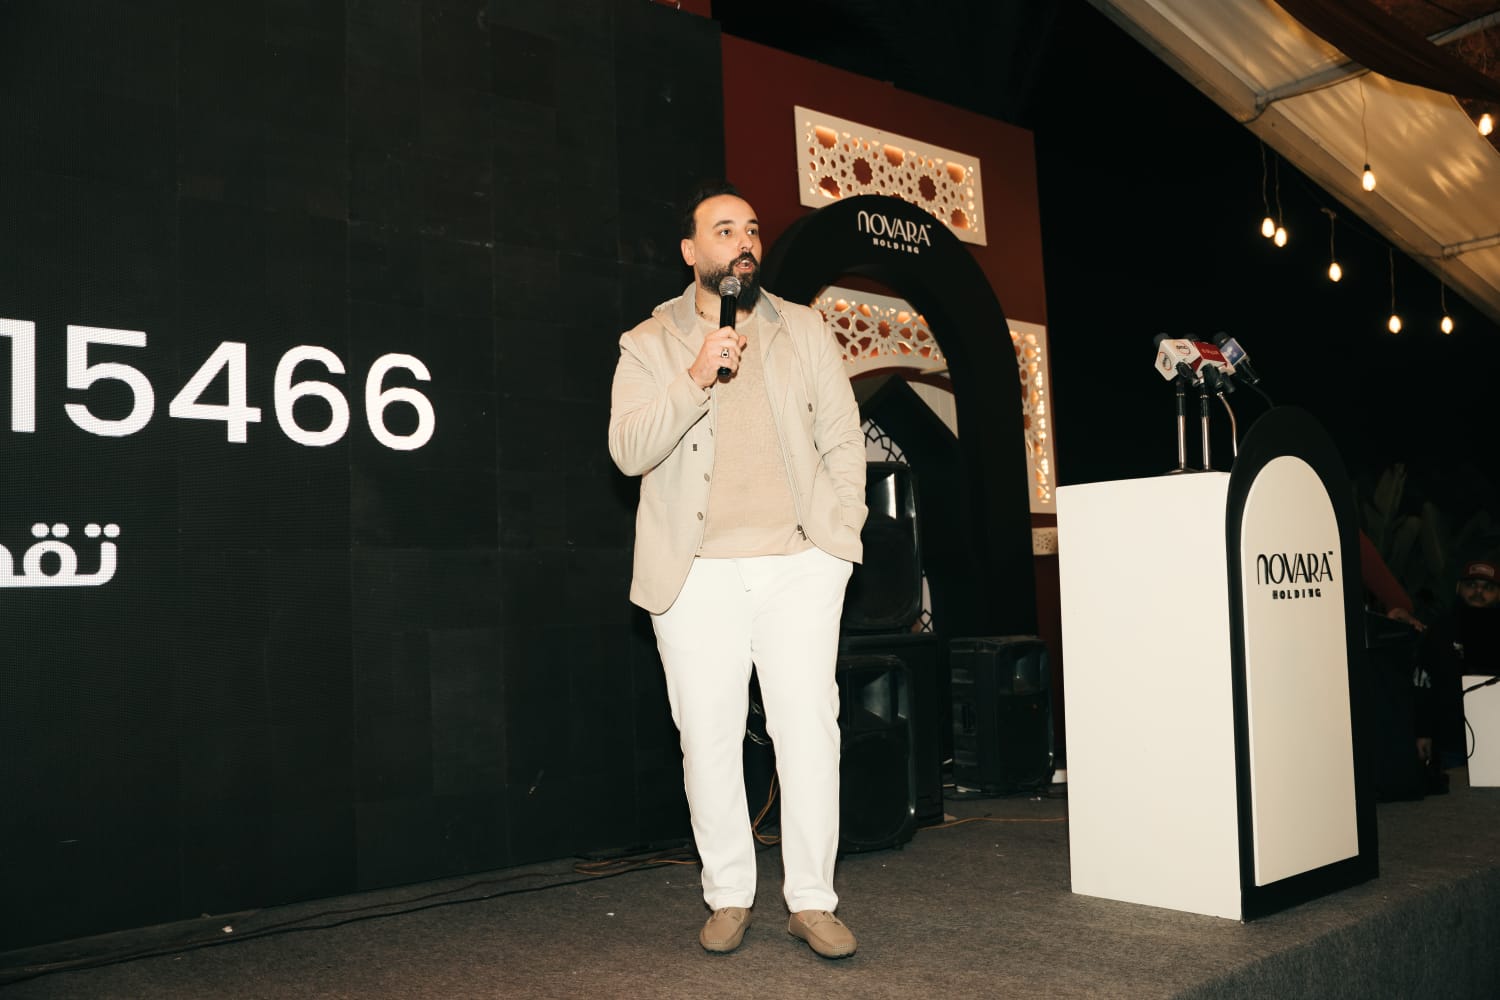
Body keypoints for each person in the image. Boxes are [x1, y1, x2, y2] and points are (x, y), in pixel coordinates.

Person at [607, 181, 868, 958]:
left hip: (799, 563)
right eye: (724, 230)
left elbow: (842, 435)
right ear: (691, 251)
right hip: (696, 574)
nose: (744, 242)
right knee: (709, 738)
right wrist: (694, 376)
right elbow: (628, 451)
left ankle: (812, 901)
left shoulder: (802, 328)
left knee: (808, 730)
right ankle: (728, 894)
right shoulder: (648, 342)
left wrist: (839, 538)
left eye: (751, 229)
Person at [1414, 559, 1500, 775]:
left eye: (1488, 588)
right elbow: (1422, 683)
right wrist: (1423, 732)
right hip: (1450, 740)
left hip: (1495, 736)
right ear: (1458, 588)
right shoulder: (1440, 629)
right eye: (1472, 585)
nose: (1478, 592)